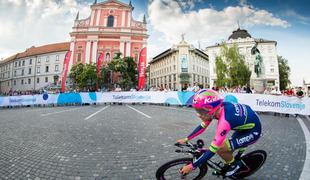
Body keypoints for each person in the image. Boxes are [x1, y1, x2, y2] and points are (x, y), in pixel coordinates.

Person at [178, 89, 262, 177]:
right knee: (226, 148)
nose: (199, 114)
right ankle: (231, 161)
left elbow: (213, 150)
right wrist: (186, 139)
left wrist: (192, 166)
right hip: (245, 125)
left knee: (220, 149)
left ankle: (235, 165)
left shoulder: (224, 121)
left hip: (253, 131)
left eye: (201, 111)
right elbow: (202, 126)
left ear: (210, 109)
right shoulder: (217, 108)